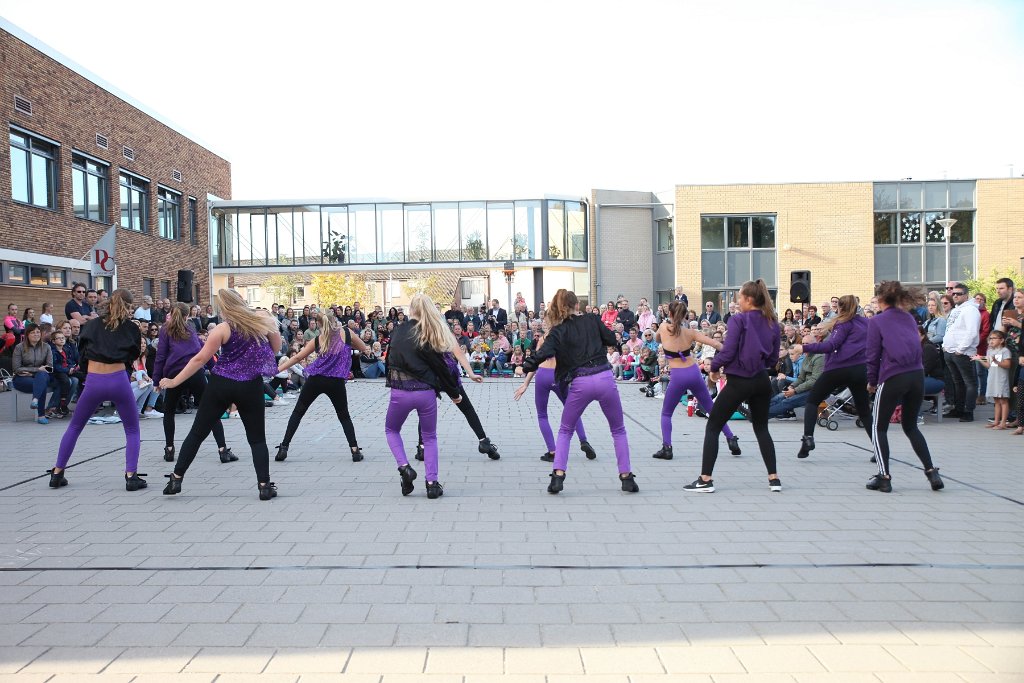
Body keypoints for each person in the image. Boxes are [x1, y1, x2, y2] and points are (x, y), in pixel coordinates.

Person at [159, 289, 282, 500]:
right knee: (257, 439)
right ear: (242, 302)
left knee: (197, 433)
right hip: (250, 385)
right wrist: (270, 324)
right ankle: (264, 485)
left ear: (223, 307)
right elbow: (276, 348)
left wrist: (174, 381)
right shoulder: (259, 323)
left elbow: (199, 360)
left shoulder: (222, 329)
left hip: (221, 384)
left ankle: (176, 478)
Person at [522, 289, 638, 495]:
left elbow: (544, 353)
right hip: (604, 377)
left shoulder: (558, 331)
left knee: (565, 430)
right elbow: (612, 339)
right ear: (577, 305)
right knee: (618, 429)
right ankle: (626, 477)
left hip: (580, 383)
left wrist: (528, 364)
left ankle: (558, 476)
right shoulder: (593, 320)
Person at [682, 281, 780, 493]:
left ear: (749, 300)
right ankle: (774, 478)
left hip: (740, 381)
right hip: (762, 380)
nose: (737, 301)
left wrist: (714, 367)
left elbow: (728, 351)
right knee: (762, 428)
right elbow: (772, 359)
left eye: (739, 297)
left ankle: (705, 479)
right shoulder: (772, 322)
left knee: (714, 426)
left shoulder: (738, 320)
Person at [47, 290, 144, 490]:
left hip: (94, 380)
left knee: (74, 427)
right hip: (118, 380)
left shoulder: (91, 325)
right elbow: (134, 354)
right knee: (132, 430)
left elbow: (82, 353)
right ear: (128, 306)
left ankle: (57, 473)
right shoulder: (131, 328)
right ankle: (131, 476)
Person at [384, 293, 464, 499]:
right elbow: (441, 367)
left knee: (391, 430)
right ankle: (432, 483)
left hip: (400, 391)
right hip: (426, 393)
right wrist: (455, 393)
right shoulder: (429, 332)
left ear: (411, 309)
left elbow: (389, 360)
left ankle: (404, 468)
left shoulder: (399, 330)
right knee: (429, 438)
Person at [865, 281, 943, 493]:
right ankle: (931, 471)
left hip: (893, 375)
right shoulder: (909, 318)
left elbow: (872, 356)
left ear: (881, 300)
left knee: (878, 427)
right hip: (917, 375)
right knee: (910, 426)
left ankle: (884, 476)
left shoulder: (877, 321)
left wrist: (872, 382)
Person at [651, 301, 741, 460]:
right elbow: (715, 343)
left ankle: (667, 448)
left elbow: (657, 339)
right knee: (711, 408)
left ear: (670, 314)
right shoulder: (690, 333)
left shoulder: (664, 328)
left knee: (666, 413)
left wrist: (666, 324)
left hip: (678, 375)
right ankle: (730, 437)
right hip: (693, 372)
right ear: (685, 315)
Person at [274, 310, 368, 463]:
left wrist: (277, 370)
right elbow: (363, 347)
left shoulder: (318, 339)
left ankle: (284, 447)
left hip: (316, 379)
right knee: (344, 415)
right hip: (336, 381)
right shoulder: (346, 332)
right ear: (334, 321)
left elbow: (298, 357)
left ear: (318, 324)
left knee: (298, 412)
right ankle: (355, 450)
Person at [791, 294, 873, 459]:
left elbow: (831, 345)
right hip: (859, 369)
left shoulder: (842, 324)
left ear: (840, 308)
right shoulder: (866, 323)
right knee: (864, 411)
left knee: (812, 400)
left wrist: (804, 348)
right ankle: (879, 449)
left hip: (838, 368)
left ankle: (808, 438)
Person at [154, 303, 236, 465]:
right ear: (187, 316)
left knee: (169, 411)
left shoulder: (165, 330)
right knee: (210, 410)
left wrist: (157, 380)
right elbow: (204, 351)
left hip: (174, 374)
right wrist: (216, 370)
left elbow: (160, 356)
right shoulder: (190, 328)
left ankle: (169, 449)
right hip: (195, 372)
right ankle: (223, 450)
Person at [513, 328, 598, 463]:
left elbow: (536, 362)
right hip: (558, 376)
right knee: (572, 410)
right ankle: (583, 441)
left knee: (542, 415)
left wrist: (525, 384)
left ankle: (553, 451)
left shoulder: (542, 339)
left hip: (542, 375)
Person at [941, 282, 981, 421]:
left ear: (966, 295)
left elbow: (972, 331)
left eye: (959, 293)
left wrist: (960, 349)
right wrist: (946, 347)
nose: (955, 295)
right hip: (950, 352)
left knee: (969, 383)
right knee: (957, 382)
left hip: (962, 353)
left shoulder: (971, 310)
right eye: (953, 293)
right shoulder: (957, 309)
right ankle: (958, 409)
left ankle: (968, 411)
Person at [13, 323, 53, 424]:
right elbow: (16, 368)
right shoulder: (19, 347)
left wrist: (32, 371)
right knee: (41, 383)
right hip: (22, 379)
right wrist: (37, 370)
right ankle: (41, 415)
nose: (36, 334)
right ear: (27, 335)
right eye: (33, 332)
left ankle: (35, 400)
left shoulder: (46, 347)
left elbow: (50, 367)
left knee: (42, 377)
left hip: (40, 376)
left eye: (38, 332)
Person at [975, 330, 1012, 429]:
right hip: (992, 378)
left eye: (994, 338)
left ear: (1001, 340)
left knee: (1003, 400)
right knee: (996, 400)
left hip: (1001, 379)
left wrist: (997, 361)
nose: (991, 341)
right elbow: (989, 365)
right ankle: (996, 421)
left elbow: (1007, 365)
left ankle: (1003, 422)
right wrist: (979, 358)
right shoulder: (990, 351)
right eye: (990, 338)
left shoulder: (1004, 351)